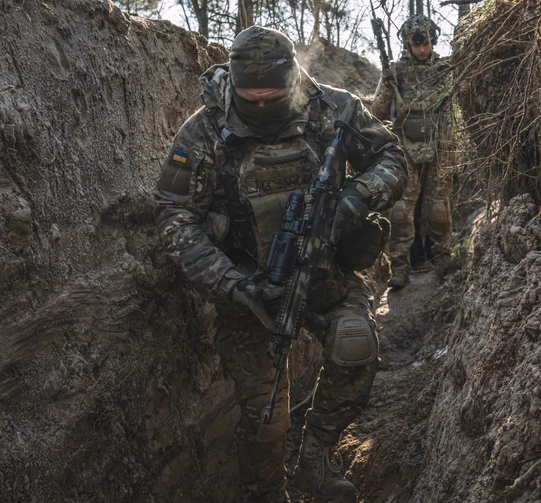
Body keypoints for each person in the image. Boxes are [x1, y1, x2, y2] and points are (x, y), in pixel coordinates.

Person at [153, 26, 407, 503]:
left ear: (292, 78)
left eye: (275, 95)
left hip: (325, 272)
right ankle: (266, 491)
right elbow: (174, 215)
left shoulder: (333, 107)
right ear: (234, 80)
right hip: (249, 285)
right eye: (253, 96)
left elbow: (391, 156)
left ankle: (317, 453)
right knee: (266, 418)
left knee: (355, 345)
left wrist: (354, 198)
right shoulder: (203, 130)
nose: (264, 104)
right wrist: (232, 284)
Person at [371, 15, 455, 289]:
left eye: (426, 42)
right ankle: (400, 267)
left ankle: (442, 258)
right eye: (416, 43)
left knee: (438, 208)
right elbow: (376, 113)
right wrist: (386, 88)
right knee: (400, 211)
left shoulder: (445, 69)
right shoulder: (394, 73)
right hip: (405, 147)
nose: (422, 48)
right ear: (407, 43)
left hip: (440, 145)